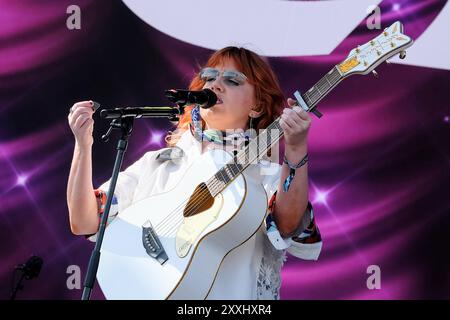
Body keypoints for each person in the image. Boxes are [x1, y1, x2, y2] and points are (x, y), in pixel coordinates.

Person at [67, 46, 322, 300]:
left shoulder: (266, 175)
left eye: (232, 80)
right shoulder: (159, 163)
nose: (216, 85)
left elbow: (288, 226)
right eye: (209, 77)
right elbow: (84, 221)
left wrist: (296, 148)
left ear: (256, 106)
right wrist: (83, 145)